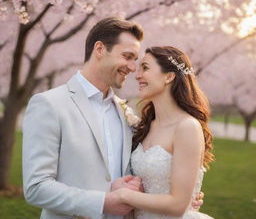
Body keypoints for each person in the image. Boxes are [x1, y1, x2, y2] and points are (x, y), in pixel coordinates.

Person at [22, 18, 203, 219]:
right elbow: (36, 188)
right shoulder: (49, 104)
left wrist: (180, 198)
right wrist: (103, 202)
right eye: (127, 57)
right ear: (99, 49)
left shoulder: (127, 114)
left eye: (137, 61)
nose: (133, 68)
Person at [113, 46, 214, 219]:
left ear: (169, 76)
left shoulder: (187, 127)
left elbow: (178, 206)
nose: (137, 75)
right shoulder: (144, 127)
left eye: (145, 68)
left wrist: (123, 195)